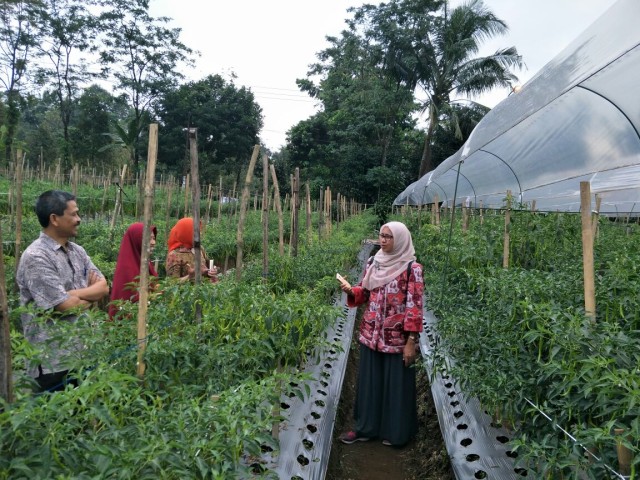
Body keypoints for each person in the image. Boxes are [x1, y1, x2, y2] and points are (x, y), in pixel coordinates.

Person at [338, 221, 424, 447]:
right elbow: (365, 293)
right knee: (370, 384)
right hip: (371, 335)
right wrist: (351, 290)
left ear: (401, 240)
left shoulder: (411, 268)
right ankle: (366, 428)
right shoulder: (372, 263)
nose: (383, 240)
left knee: (395, 386)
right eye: (381, 235)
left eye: (389, 236)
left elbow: (415, 307)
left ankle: (395, 433)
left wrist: (411, 341)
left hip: (397, 340)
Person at [16, 190, 109, 393]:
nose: (79, 219)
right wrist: (88, 297)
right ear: (54, 219)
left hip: (82, 354)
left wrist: (73, 294)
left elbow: (103, 287)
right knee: (54, 421)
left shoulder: (78, 252)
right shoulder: (36, 256)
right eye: (74, 214)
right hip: (52, 363)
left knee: (82, 420)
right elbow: (63, 306)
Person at [108, 222, 158, 320]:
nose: (153, 242)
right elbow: (131, 302)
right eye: (149, 239)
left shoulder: (145, 262)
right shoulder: (127, 268)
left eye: (154, 238)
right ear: (137, 240)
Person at [165, 217, 218, 282]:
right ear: (186, 233)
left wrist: (210, 271)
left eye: (199, 232)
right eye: (196, 233)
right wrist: (190, 276)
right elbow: (171, 283)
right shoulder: (174, 255)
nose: (200, 234)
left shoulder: (200, 249)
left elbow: (206, 268)